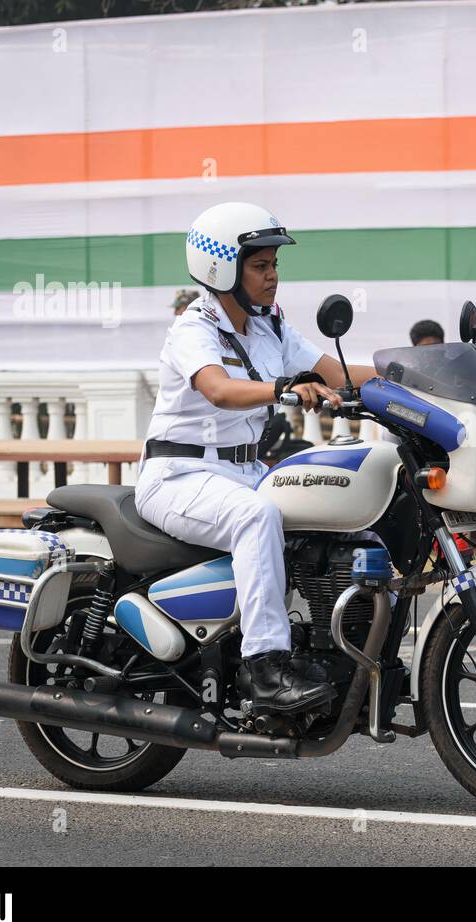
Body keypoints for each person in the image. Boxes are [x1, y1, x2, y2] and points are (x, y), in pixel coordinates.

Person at [135, 202, 377, 718]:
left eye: (275, 266)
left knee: (332, 504)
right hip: (180, 475)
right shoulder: (193, 328)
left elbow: (334, 371)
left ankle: (336, 646)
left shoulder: (269, 328)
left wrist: (410, 372)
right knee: (257, 516)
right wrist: (281, 387)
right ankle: (265, 666)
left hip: (243, 472)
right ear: (223, 268)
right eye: (261, 266)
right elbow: (219, 390)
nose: (272, 278)